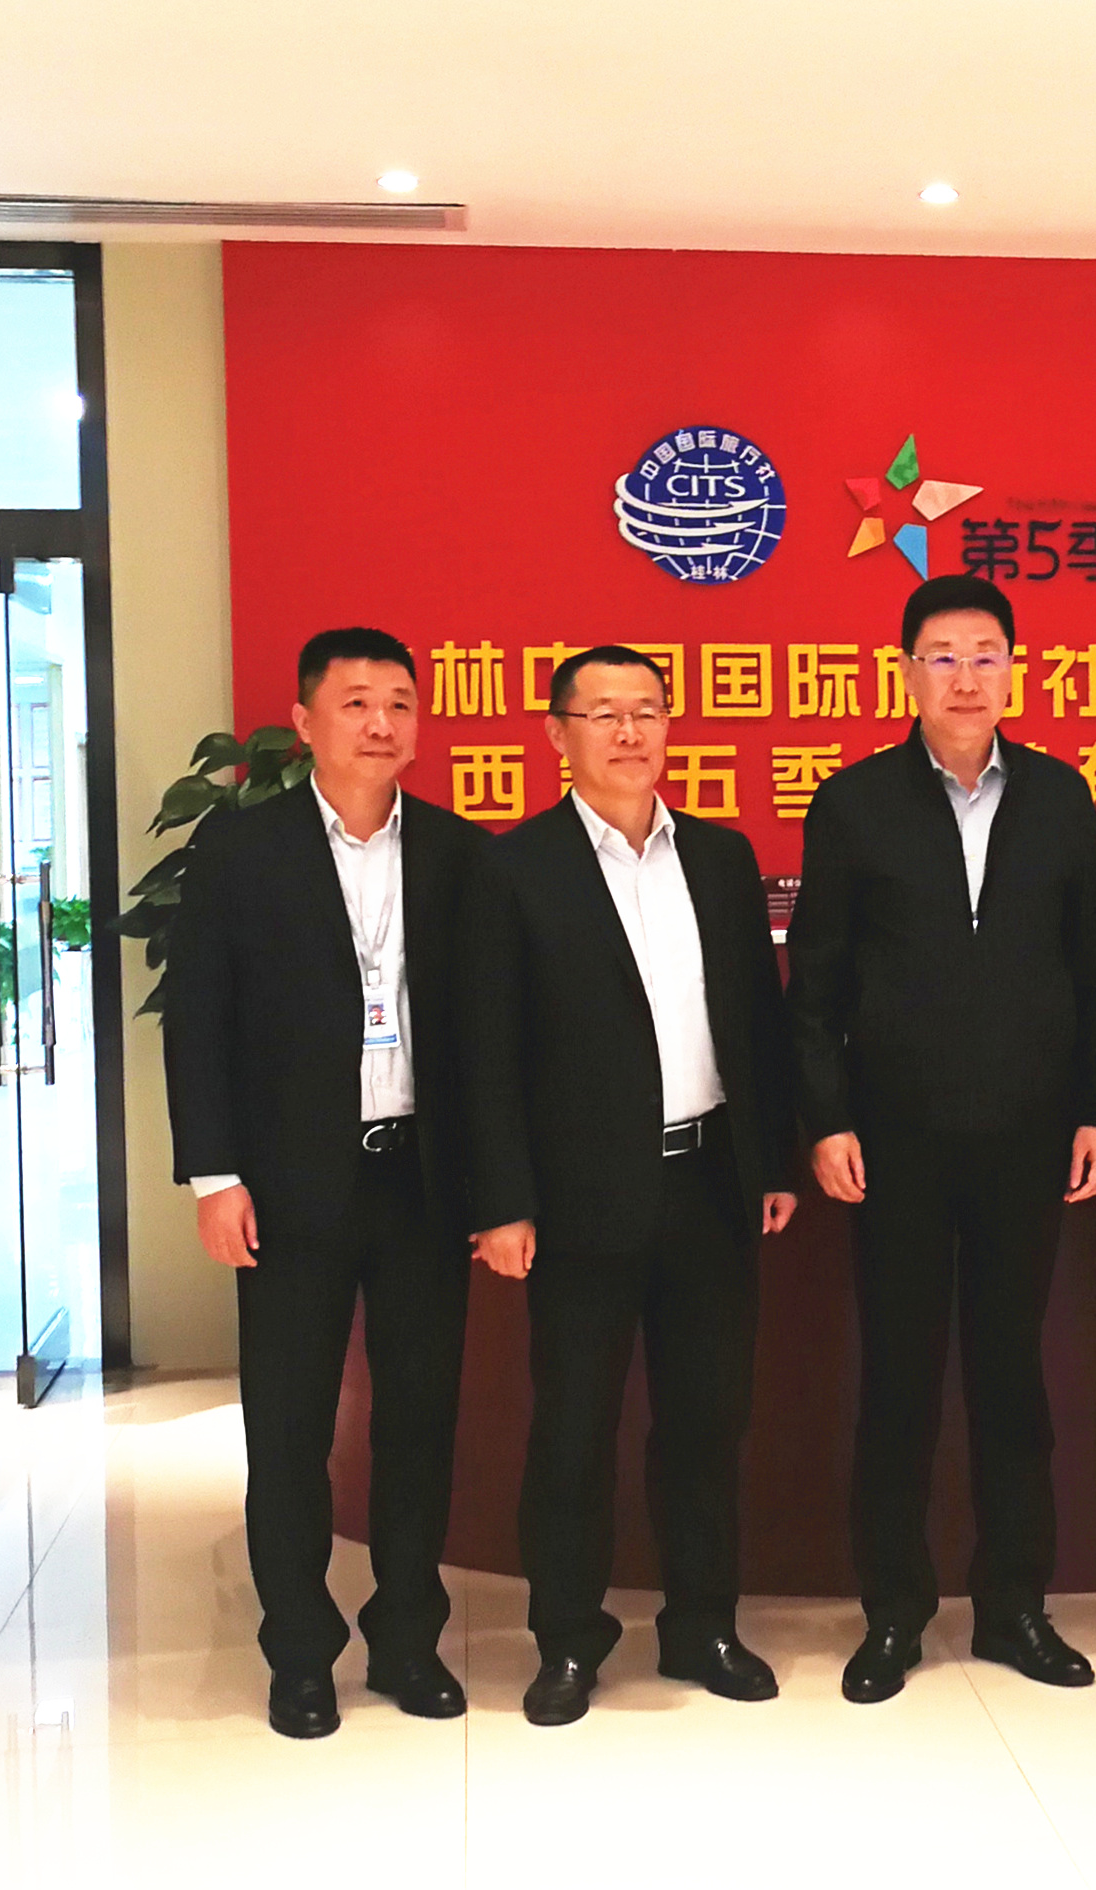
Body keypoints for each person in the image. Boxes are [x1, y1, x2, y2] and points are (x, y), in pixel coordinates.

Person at [787, 572, 1096, 1704]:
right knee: (898, 1380)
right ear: (907, 673)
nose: (966, 676)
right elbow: (815, 984)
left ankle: (1014, 1605)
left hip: (1029, 1141)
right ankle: (893, 1612)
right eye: (942, 656)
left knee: (1010, 1377)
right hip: (895, 1147)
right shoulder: (854, 803)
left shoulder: (1063, 797)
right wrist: (827, 1118)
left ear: (1015, 672)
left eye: (986, 655)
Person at [458, 646, 801, 1727]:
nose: (627, 732)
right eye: (601, 713)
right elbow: (485, 1052)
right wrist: (502, 1201)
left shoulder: (721, 856)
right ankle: (568, 1639)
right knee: (574, 1428)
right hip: (578, 1200)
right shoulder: (515, 869)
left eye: (646, 711)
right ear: (557, 734)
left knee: (706, 1422)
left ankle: (703, 1624)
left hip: (711, 1184)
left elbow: (756, 1020)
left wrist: (771, 1160)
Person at [161, 626, 484, 1738]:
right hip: (291, 1184)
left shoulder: (456, 852)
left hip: (422, 1181)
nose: (381, 723)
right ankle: (300, 1652)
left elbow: (487, 1036)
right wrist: (215, 1177)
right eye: (355, 703)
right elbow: (197, 1020)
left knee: (419, 1422)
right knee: (290, 1427)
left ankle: (408, 1639)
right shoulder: (241, 850)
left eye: (399, 702)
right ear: (303, 724)